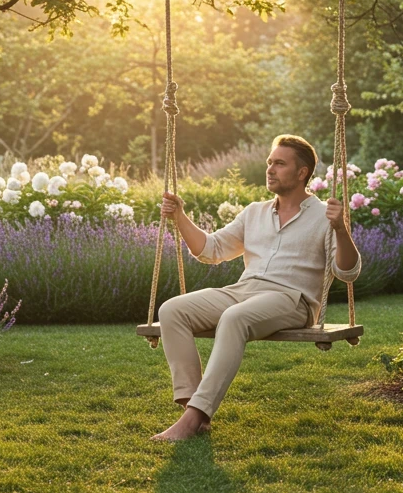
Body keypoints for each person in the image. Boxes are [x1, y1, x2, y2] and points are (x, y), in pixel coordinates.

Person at [150, 134, 361, 442]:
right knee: (172, 310)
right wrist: (179, 216)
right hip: (245, 290)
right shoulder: (254, 212)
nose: (270, 169)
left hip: (292, 299)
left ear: (302, 173)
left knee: (235, 317)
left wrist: (341, 228)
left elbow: (348, 272)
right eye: (269, 163)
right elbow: (209, 250)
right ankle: (191, 408)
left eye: (279, 163)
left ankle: (194, 418)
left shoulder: (324, 216)